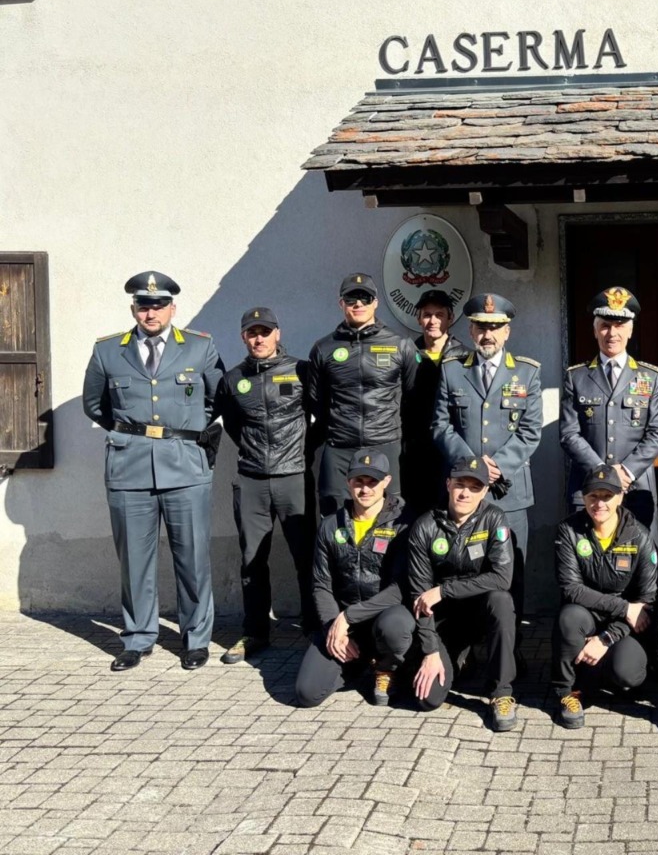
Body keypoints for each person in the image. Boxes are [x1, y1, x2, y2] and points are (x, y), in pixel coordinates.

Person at [82, 271, 225, 672]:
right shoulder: (108, 351)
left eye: (159, 305)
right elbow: (95, 404)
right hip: (129, 468)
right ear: (134, 309)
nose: (151, 313)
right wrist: (133, 434)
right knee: (134, 561)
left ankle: (196, 639)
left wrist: (183, 431)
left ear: (172, 309)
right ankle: (138, 638)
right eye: (144, 306)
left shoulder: (199, 347)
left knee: (192, 558)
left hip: (185, 465)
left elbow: (217, 398)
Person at [432, 293, 541, 621]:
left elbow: (531, 431)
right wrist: (473, 468)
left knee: (511, 571)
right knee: (461, 567)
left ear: (507, 331)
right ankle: (465, 640)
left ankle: (510, 641)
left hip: (508, 490)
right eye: (481, 327)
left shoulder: (527, 373)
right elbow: (440, 425)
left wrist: (497, 467)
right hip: (463, 490)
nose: (487, 335)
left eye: (495, 328)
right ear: (470, 331)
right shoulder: (452, 370)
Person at [217, 306, 315, 663]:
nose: (259, 338)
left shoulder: (301, 371)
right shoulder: (233, 379)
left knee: (307, 557)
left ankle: (314, 628)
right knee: (252, 561)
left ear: (277, 334)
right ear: (243, 337)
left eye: (265, 331)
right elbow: (232, 425)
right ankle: (255, 632)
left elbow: (321, 416)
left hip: (294, 477)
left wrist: (302, 451)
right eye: (252, 332)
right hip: (252, 480)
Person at [295, 449, 416, 708]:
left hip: (385, 615)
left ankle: (386, 667)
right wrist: (333, 628)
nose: (365, 489)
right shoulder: (330, 525)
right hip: (345, 622)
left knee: (395, 627)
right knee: (307, 693)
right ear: (348, 482)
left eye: (373, 481)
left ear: (386, 482)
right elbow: (321, 584)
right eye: (359, 481)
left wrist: (349, 616)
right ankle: (358, 660)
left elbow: (400, 588)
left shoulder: (403, 524)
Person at [407, 458, 518, 731]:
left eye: (474, 487)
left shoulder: (494, 519)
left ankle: (501, 693)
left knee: (501, 601)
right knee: (428, 699)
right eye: (460, 485)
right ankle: (459, 659)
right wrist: (430, 651)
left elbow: (502, 578)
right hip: (443, 620)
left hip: (479, 613)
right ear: (448, 484)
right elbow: (420, 597)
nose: (465, 493)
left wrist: (444, 590)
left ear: (485, 491)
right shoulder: (425, 525)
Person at [552, 466, 658, 729]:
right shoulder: (568, 530)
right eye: (593, 496)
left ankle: (598, 671)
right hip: (590, 614)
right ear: (584, 497)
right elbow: (571, 589)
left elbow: (647, 602)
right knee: (569, 617)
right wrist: (624, 607)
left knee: (628, 675)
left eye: (607, 496)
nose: (599, 503)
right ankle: (568, 691)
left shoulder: (640, 536)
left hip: (627, 626)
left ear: (620, 497)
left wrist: (607, 638)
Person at [306, 273, 417, 517]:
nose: (358, 304)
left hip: (385, 444)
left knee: (391, 519)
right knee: (334, 519)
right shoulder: (323, 348)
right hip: (340, 447)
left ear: (375, 302)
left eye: (365, 298)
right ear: (341, 303)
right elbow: (316, 401)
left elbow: (412, 398)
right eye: (351, 298)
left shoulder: (400, 344)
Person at [560, 287, 658, 532]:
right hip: (589, 488)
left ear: (630, 330)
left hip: (635, 487)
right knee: (587, 551)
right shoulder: (576, 377)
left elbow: (657, 433)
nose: (612, 333)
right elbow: (569, 434)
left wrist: (626, 471)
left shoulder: (651, 378)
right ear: (595, 330)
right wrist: (603, 473)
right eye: (605, 326)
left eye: (619, 326)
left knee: (638, 552)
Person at [402, 289, 467, 511]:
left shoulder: (466, 357)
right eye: (427, 315)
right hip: (415, 452)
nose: (433, 321)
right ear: (418, 318)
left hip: (452, 448)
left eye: (439, 315)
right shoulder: (406, 354)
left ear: (451, 317)